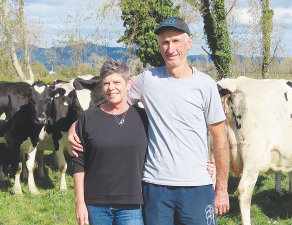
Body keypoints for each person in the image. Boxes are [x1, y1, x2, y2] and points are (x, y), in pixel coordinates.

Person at [70, 17, 229, 225]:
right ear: (159, 47)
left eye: (176, 41)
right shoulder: (148, 80)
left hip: (197, 186)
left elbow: (220, 139)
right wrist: (78, 124)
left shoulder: (206, 85)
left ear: (189, 42)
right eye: (165, 42)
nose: (170, 48)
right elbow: (115, 96)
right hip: (156, 187)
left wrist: (222, 189)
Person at [73, 59, 148, 225]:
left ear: (129, 83)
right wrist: (80, 202)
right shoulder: (88, 118)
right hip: (95, 204)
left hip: (132, 205)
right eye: (106, 83)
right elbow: (79, 162)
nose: (111, 88)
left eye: (116, 82)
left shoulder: (143, 117)